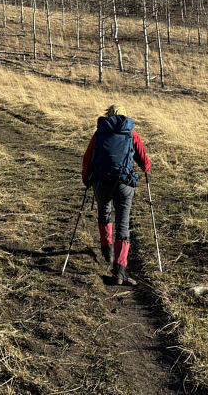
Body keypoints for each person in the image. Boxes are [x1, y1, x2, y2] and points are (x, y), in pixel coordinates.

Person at [81, 104, 151, 286]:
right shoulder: (131, 134)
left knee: (104, 211)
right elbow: (145, 163)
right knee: (123, 224)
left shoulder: (99, 134)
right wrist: (145, 168)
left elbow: (87, 158)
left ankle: (106, 249)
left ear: (108, 116)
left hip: (101, 182)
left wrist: (86, 179)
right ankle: (119, 271)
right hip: (124, 184)